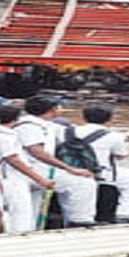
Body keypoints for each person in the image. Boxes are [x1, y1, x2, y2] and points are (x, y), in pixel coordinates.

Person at [15, 95, 97, 228]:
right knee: (83, 183)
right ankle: (80, 221)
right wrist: (69, 168)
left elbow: (75, 132)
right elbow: (37, 152)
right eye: (60, 107)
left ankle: (39, 229)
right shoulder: (29, 126)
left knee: (34, 211)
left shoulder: (46, 125)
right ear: (53, 109)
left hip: (41, 170)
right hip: (32, 171)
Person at [73, 103, 129, 220]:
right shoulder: (114, 136)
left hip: (71, 170)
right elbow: (120, 156)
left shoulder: (69, 131)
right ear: (109, 120)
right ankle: (126, 212)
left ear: (84, 117)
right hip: (99, 173)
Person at [0, 104, 56, 233]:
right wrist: (40, 179)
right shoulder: (5, 137)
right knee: (20, 212)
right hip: (10, 178)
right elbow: (14, 160)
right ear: (16, 119)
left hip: (5, 177)